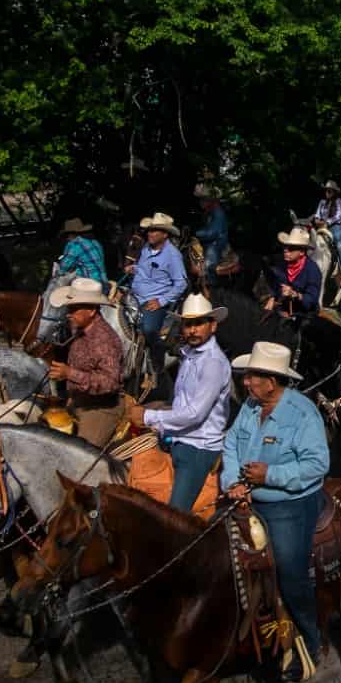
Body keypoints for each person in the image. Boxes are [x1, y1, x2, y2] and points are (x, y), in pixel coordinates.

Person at [220, 342, 329, 683]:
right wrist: (232, 482)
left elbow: (317, 464)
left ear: (271, 382)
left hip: (289, 502)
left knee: (288, 568)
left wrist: (269, 475)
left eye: (252, 376)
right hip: (246, 496)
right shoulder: (251, 406)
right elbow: (231, 445)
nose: (245, 381)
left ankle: (310, 640)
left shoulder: (303, 414)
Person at [131, 293, 232, 514]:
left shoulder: (213, 363)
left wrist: (148, 416)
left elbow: (194, 414)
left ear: (213, 326)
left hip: (198, 449)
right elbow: (181, 405)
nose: (192, 330)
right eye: (188, 324)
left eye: (198, 323)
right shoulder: (189, 356)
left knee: (175, 515)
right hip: (179, 441)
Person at [47, 277, 127, 448]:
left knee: (81, 453)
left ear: (91, 311)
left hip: (102, 408)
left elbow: (110, 382)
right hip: (78, 402)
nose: (69, 314)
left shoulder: (104, 340)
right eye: (69, 308)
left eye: (74, 309)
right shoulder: (79, 330)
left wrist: (70, 374)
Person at [133, 212, 188, 371]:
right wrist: (134, 268)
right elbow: (145, 270)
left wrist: (161, 301)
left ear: (165, 234)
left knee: (149, 329)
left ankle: (157, 364)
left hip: (152, 300)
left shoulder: (173, 255)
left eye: (154, 230)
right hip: (134, 295)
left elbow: (181, 283)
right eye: (149, 230)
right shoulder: (146, 248)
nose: (149, 234)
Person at [265, 225, 323, 320]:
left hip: (304, 316)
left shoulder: (313, 271)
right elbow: (276, 286)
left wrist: (295, 294)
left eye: (291, 248)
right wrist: (272, 298)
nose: (285, 250)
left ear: (302, 252)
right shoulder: (281, 264)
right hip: (282, 309)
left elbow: (311, 300)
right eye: (285, 246)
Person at [52, 217, 108, 284]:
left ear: (70, 234)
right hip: (104, 282)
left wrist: (57, 271)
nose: (67, 238)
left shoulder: (74, 245)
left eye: (66, 236)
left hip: (90, 285)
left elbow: (63, 268)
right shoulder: (96, 242)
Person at [194, 184, 230, 274]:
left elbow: (213, 233)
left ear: (210, 200)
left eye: (203, 199)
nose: (200, 202)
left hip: (215, 245)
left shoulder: (218, 213)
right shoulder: (209, 213)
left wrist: (196, 233)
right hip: (209, 244)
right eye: (200, 199)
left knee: (209, 267)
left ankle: (211, 280)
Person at [313, 180, 341, 260]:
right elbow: (317, 214)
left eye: (329, 191)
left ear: (334, 192)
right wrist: (317, 220)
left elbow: (338, 216)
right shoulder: (322, 202)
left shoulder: (338, 201)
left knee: (340, 246)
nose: (327, 193)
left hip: (335, 227)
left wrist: (327, 222)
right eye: (326, 191)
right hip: (321, 226)